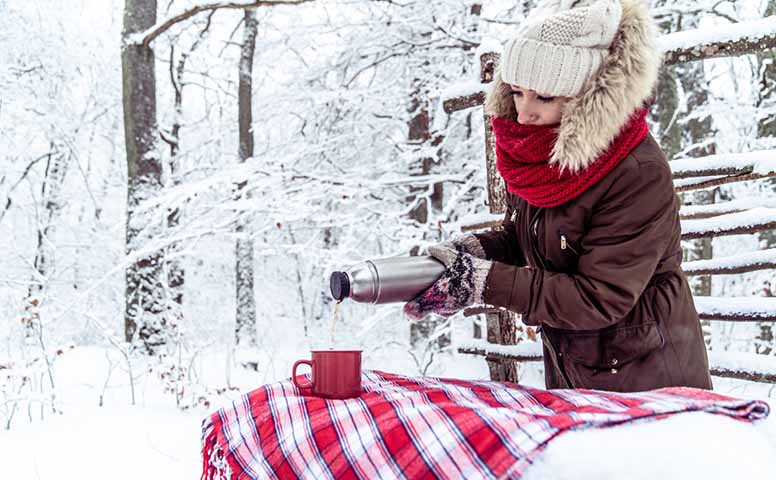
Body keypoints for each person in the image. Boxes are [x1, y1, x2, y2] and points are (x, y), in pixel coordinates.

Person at [404, 0, 713, 392]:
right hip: (576, 371)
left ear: (584, 97)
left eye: (544, 98)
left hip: (648, 379)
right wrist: (475, 253)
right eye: (517, 92)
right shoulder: (542, 159)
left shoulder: (636, 173)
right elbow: (536, 240)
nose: (523, 113)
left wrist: (484, 283)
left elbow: (599, 297)